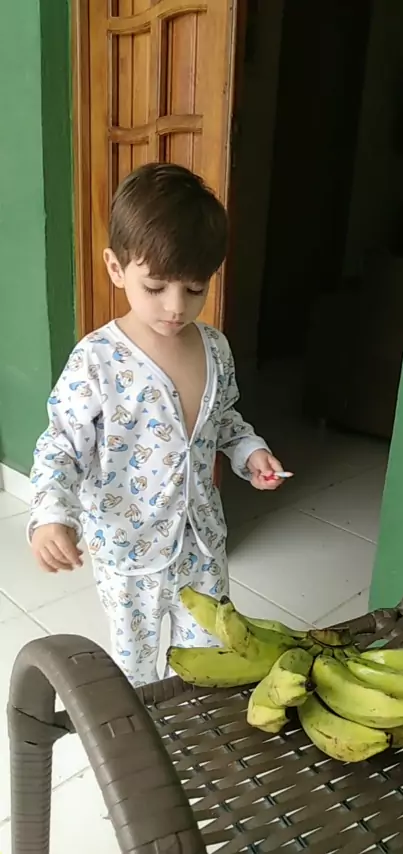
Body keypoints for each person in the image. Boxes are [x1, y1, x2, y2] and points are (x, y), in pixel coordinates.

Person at [29, 162, 288, 686]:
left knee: (208, 660)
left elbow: (224, 419)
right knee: (137, 671)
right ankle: (146, 729)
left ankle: (195, 724)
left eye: (194, 289)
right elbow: (61, 446)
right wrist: (52, 515)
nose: (175, 307)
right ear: (116, 267)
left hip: (203, 546)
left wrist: (249, 452)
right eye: (155, 287)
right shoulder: (96, 360)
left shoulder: (215, 348)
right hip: (128, 554)